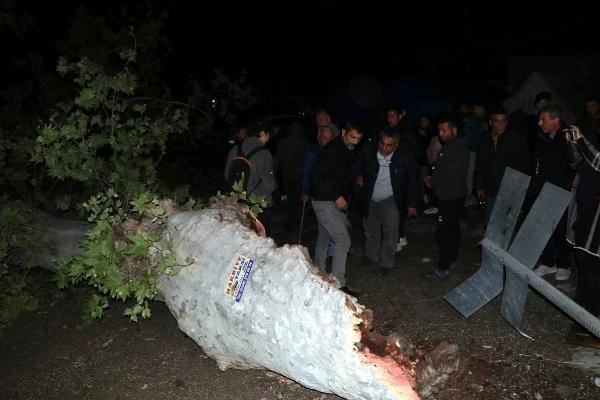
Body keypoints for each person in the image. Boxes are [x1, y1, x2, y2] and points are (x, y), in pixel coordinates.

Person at [353, 128, 419, 275]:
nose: (384, 148)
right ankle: (371, 258)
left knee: (391, 231)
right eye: (382, 144)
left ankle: (386, 263)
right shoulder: (368, 151)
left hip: (390, 199)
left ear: (395, 145)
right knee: (371, 231)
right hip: (370, 197)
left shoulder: (404, 157)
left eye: (389, 145)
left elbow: (412, 180)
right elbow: (355, 168)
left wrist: (412, 203)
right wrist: (359, 181)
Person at [309, 119, 364, 297]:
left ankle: (318, 277)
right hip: (325, 202)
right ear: (343, 132)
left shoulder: (345, 150)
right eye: (352, 137)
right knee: (343, 240)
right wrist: (336, 196)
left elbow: (339, 174)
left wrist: (355, 178)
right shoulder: (333, 150)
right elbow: (316, 177)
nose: (355, 142)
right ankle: (338, 284)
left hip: (329, 201)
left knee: (324, 237)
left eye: (358, 139)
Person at [564, 124, 600, 347]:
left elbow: (598, 161)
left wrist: (581, 139)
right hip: (587, 215)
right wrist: (573, 144)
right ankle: (583, 315)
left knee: (594, 269)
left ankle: (594, 322)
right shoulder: (593, 147)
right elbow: (577, 163)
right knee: (584, 264)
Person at [423, 114, 470, 278]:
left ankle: (443, 266)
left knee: (444, 233)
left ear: (454, 130)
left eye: (444, 130)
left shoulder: (455, 148)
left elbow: (450, 175)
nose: (441, 134)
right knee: (452, 230)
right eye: (439, 130)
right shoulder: (453, 146)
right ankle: (450, 260)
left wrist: (433, 182)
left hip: (450, 197)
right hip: (453, 195)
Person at [224, 120, 277, 233]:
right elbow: (269, 185)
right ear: (263, 133)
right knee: (258, 240)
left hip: (236, 202)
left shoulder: (235, 149)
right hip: (258, 206)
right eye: (269, 134)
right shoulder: (264, 154)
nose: (269, 137)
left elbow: (227, 176)